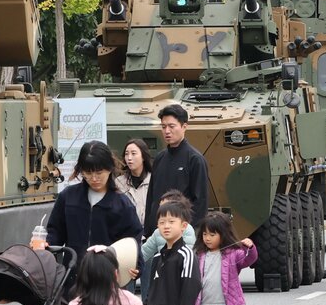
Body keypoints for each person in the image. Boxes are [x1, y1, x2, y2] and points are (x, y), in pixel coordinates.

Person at [37, 140, 143, 268]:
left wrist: (136, 265)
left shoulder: (122, 204)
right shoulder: (68, 197)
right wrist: (45, 244)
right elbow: (55, 232)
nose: (94, 178)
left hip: (107, 277)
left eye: (99, 173)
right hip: (73, 275)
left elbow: (132, 241)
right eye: (87, 173)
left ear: (110, 169)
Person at [144, 105, 210, 232]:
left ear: (184, 126)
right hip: (157, 232)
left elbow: (200, 202)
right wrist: (148, 230)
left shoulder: (195, 159)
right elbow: (151, 198)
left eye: (171, 126)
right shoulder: (159, 158)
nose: (167, 131)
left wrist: (188, 232)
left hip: (181, 234)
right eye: (163, 127)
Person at [116, 138, 154, 219]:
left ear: (143, 157)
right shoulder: (119, 182)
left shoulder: (154, 180)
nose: (129, 158)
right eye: (126, 154)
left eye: (133, 153)